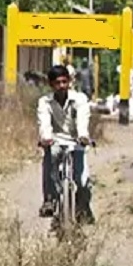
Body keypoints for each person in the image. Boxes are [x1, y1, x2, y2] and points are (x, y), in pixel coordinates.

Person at [37, 65, 94, 223]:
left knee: (81, 179)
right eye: (57, 83)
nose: (61, 86)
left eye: (64, 82)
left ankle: (83, 207)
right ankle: (49, 199)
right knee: (49, 161)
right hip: (55, 139)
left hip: (76, 140)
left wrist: (83, 135)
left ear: (69, 82)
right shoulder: (45, 102)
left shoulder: (80, 99)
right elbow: (44, 122)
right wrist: (46, 138)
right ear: (51, 85)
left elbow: (83, 119)